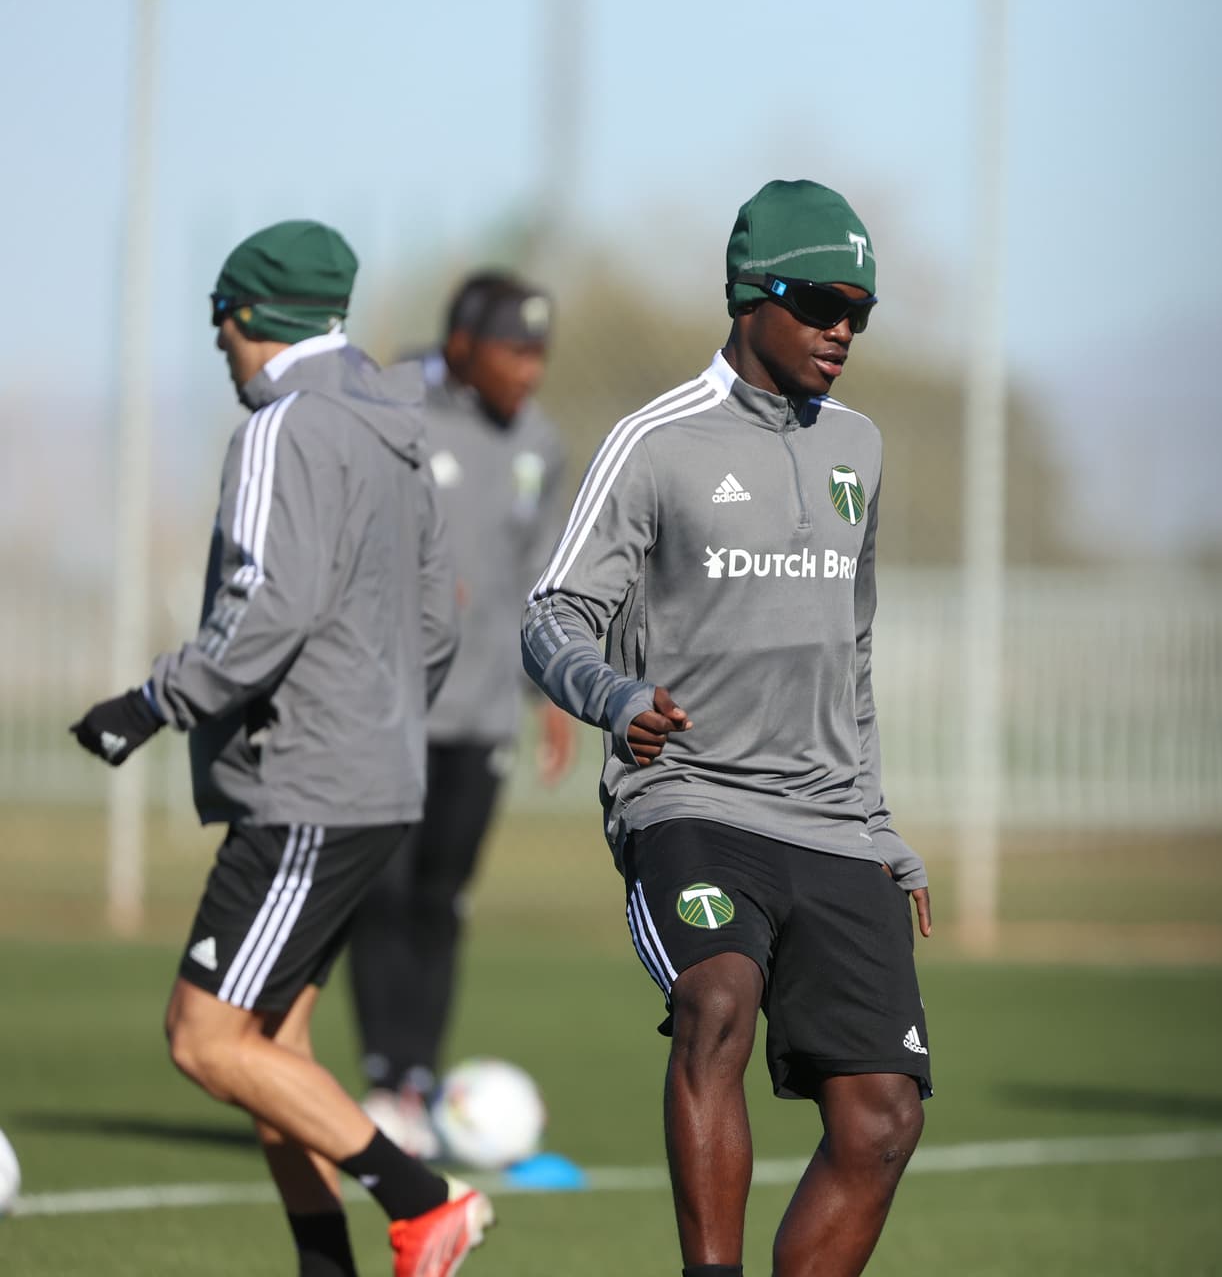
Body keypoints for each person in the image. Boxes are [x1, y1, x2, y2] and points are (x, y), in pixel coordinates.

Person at [521, 180, 933, 1276]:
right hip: (692, 801)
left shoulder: (860, 448)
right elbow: (551, 615)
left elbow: (850, 653)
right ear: (749, 296)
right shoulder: (652, 443)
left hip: (832, 822)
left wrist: (881, 825)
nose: (841, 326)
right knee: (716, 998)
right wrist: (612, 699)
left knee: (882, 1118)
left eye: (861, 308)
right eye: (819, 300)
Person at [70, 220, 493, 1277]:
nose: (220, 351)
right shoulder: (397, 425)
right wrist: (386, 714)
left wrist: (152, 700)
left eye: (220, 330)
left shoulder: (282, 426)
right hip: (384, 777)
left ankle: (424, 1199)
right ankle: (326, 1267)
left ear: (243, 317)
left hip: (312, 783)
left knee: (204, 1038)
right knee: (272, 1051)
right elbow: (438, 622)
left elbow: (268, 601)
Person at [348, 271, 574, 1154]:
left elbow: (537, 573)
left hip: (481, 712)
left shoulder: (539, 443)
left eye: (539, 353)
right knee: (382, 892)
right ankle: (380, 1082)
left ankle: (417, 1083)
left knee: (442, 901)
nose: (530, 370)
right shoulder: (391, 408)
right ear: (461, 346)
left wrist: (548, 687)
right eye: (515, 350)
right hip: (388, 707)